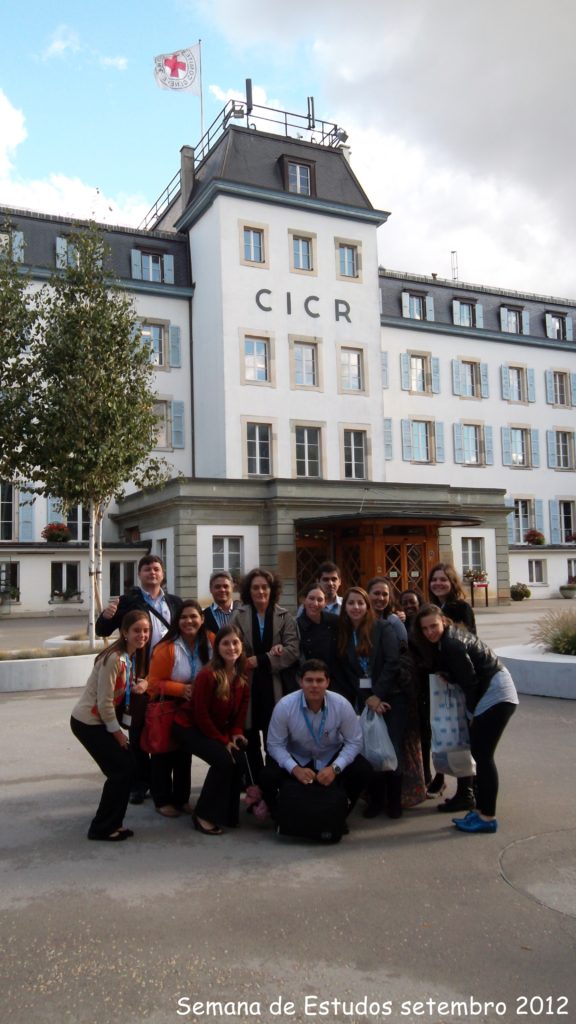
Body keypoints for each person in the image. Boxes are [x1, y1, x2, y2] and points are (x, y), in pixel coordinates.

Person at [410, 604, 518, 833]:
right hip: (492, 691)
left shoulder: (452, 643)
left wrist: (471, 715)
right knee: (480, 755)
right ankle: (480, 811)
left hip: (496, 695)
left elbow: (470, 683)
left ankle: (487, 817)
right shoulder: (448, 639)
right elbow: (466, 673)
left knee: (483, 757)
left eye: (433, 626)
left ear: (444, 621)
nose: (430, 632)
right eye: (425, 629)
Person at [95, 554, 183, 804]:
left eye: (156, 569)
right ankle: (139, 782)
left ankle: (161, 782)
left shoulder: (174, 602)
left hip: (169, 674)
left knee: (164, 728)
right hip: (139, 674)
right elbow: (102, 630)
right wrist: (107, 615)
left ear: (162, 574)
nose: (152, 573)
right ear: (140, 574)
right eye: (147, 569)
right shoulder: (129, 601)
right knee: (138, 730)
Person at [70, 609, 150, 841]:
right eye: (136, 630)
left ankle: (113, 823)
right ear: (125, 632)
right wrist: (118, 735)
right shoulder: (114, 658)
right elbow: (104, 704)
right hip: (88, 722)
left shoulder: (128, 655)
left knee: (126, 768)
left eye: (146, 631)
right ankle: (102, 828)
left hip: (100, 721)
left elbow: (119, 688)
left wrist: (139, 684)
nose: (142, 635)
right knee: (121, 770)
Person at [260, 659, 372, 825]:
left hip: (329, 756)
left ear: (327, 682)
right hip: (298, 756)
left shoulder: (341, 704)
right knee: (267, 776)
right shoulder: (285, 706)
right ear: (301, 682)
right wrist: (294, 768)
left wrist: (335, 768)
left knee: (363, 770)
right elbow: (274, 745)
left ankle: (340, 815)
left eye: (319, 680)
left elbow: (354, 742)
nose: (314, 685)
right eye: (309, 680)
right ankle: (280, 817)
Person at [331, 587, 407, 818]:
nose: (356, 607)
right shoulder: (344, 633)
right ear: (345, 607)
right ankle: (376, 800)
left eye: (360, 603)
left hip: (391, 696)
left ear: (367, 606)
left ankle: (395, 801)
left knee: (392, 747)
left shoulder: (383, 628)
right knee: (371, 748)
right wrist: (368, 699)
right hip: (366, 699)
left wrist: (378, 695)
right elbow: (350, 673)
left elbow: (392, 662)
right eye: (351, 603)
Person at [173, 625, 249, 835]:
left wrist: (236, 732)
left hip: (213, 728)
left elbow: (243, 706)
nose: (231, 647)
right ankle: (203, 815)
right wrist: (223, 741)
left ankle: (227, 814)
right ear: (217, 648)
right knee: (223, 760)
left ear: (242, 645)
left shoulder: (242, 672)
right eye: (226, 643)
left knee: (239, 758)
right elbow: (201, 714)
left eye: (235, 643)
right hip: (188, 727)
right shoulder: (208, 675)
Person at [147, 600, 213, 818]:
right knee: (163, 753)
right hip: (168, 706)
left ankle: (181, 798)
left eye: (193, 616)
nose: (188, 621)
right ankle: (162, 799)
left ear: (202, 619)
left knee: (185, 754)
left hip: (194, 707)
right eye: (183, 617)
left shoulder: (211, 641)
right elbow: (153, 683)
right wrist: (181, 689)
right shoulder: (166, 648)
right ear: (177, 621)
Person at [231, 568, 299, 776]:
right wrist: (248, 659)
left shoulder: (285, 616)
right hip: (248, 683)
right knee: (249, 737)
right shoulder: (239, 615)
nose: (260, 591)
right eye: (255, 588)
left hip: (275, 685)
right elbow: (231, 647)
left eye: (264, 587)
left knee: (275, 738)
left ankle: (271, 782)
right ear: (248, 591)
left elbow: (292, 650)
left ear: (272, 589)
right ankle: (255, 784)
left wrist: (261, 659)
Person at [427, 563, 477, 808]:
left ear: (452, 582)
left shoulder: (460, 607)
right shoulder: (436, 607)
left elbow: (469, 641)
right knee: (444, 731)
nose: (438, 583)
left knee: (459, 735)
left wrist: (453, 674)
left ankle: (466, 789)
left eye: (443, 579)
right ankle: (444, 777)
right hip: (442, 680)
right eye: (434, 579)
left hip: (457, 680)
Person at [296, 582, 339, 673]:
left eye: (320, 600)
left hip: (334, 675)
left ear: (325, 602)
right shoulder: (296, 626)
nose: (315, 603)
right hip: (309, 676)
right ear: (303, 600)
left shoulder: (335, 621)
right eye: (311, 598)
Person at [366, 576, 407, 643]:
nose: (381, 598)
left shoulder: (394, 621)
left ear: (389, 597)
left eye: (385, 594)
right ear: (367, 594)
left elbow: (403, 647)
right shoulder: (359, 619)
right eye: (376, 593)